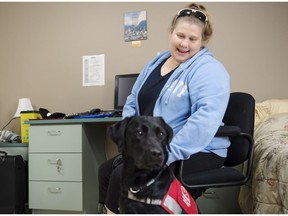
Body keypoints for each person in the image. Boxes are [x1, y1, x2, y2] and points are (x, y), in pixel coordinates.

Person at [98, 3, 230, 214]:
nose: (184, 43)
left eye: (193, 39)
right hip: (152, 147)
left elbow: (205, 120)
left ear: (202, 40)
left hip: (196, 150)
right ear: (171, 32)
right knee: (105, 171)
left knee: (121, 174)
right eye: (180, 35)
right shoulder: (155, 64)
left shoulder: (209, 70)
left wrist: (165, 154)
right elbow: (133, 101)